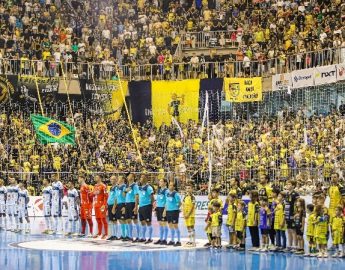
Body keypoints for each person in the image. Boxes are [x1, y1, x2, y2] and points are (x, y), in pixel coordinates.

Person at [138, 174, 154, 243]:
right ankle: (143, 237)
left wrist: (150, 205)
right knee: (142, 222)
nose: (140, 178)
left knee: (148, 222)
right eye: (140, 177)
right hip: (141, 207)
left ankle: (150, 238)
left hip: (147, 206)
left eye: (142, 177)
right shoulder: (140, 187)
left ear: (146, 179)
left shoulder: (149, 187)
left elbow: (152, 198)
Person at [284, 180, 299, 252]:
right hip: (287, 214)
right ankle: (289, 245)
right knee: (289, 230)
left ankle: (295, 246)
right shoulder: (287, 194)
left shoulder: (295, 194)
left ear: (293, 186)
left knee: (294, 230)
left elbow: (297, 204)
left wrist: (296, 213)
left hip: (292, 214)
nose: (287, 185)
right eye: (287, 184)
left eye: (289, 184)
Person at [165, 181, 182, 247]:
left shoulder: (176, 194)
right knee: (170, 225)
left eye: (171, 185)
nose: (170, 186)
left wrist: (176, 208)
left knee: (175, 226)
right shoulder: (167, 193)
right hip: (168, 211)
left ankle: (178, 241)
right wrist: (165, 211)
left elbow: (180, 203)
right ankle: (172, 240)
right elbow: (166, 203)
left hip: (174, 211)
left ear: (174, 187)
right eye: (169, 185)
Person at [125, 173, 140, 242]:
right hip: (127, 204)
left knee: (135, 220)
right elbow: (124, 194)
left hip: (132, 203)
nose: (128, 177)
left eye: (130, 175)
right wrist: (125, 191)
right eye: (128, 176)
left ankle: (138, 236)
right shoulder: (127, 186)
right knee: (128, 220)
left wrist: (136, 206)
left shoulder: (135, 186)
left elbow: (136, 196)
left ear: (133, 177)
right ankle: (130, 236)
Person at [93, 174, 108, 239]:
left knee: (103, 219)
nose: (95, 178)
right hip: (96, 204)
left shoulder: (103, 186)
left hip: (101, 205)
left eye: (96, 177)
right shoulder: (95, 186)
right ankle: (99, 233)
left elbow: (106, 196)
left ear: (100, 178)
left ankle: (106, 234)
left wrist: (104, 205)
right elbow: (94, 194)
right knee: (98, 219)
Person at [154, 179, 168, 245]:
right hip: (158, 208)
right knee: (160, 224)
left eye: (161, 181)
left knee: (164, 224)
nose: (159, 182)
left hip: (163, 208)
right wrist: (156, 209)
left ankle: (165, 239)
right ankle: (161, 238)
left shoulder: (166, 191)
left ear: (165, 183)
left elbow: (167, 201)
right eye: (159, 181)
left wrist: (165, 210)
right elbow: (158, 201)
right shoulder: (159, 190)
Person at [182, 182, 196, 247]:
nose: (188, 189)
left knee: (191, 227)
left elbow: (192, 207)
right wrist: (184, 214)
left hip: (191, 215)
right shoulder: (185, 197)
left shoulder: (193, 197)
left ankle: (193, 241)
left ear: (192, 189)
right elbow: (183, 206)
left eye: (189, 188)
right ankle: (190, 240)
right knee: (188, 228)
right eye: (187, 188)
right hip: (186, 215)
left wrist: (188, 214)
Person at [115, 176, 127, 240]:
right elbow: (116, 197)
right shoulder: (117, 187)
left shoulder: (124, 187)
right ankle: (123, 235)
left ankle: (126, 235)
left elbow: (126, 196)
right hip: (118, 204)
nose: (117, 179)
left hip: (123, 204)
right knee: (120, 220)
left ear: (123, 179)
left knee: (124, 220)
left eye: (119, 178)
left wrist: (125, 206)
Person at [107, 176, 118, 240]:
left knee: (115, 220)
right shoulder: (111, 188)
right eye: (111, 179)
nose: (112, 180)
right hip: (110, 205)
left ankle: (115, 235)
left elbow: (116, 197)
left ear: (116, 180)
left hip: (114, 205)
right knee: (111, 220)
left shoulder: (116, 187)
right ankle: (112, 235)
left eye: (114, 179)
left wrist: (114, 207)